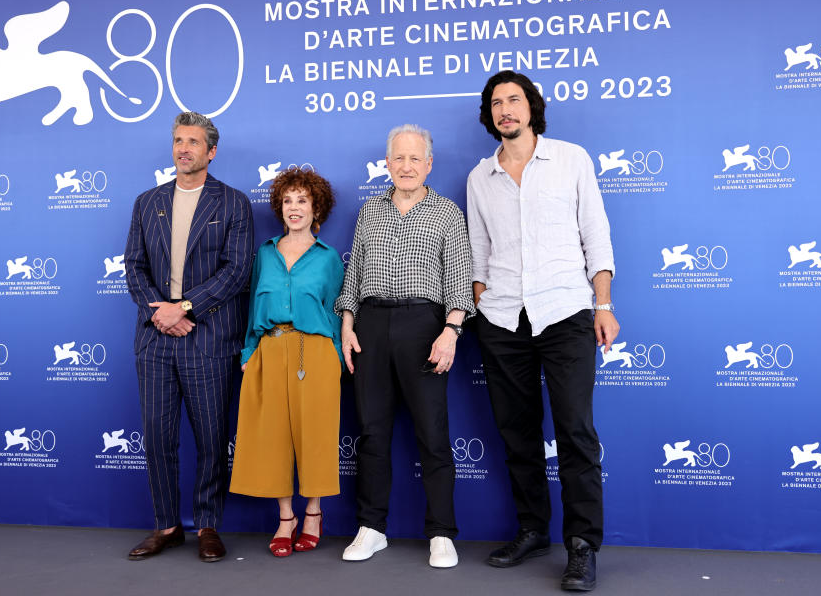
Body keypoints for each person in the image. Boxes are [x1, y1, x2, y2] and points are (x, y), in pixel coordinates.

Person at [466, 71, 619, 592]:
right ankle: (532, 528)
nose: (505, 109)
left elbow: (595, 234)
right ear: (489, 116)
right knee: (518, 434)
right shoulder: (478, 177)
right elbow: (479, 254)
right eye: (496, 103)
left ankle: (582, 546)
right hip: (504, 319)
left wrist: (603, 303)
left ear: (532, 106)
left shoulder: (571, 159)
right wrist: (485, 303)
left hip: (565, 312)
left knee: (575, 431)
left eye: (514, 100)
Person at [335, 124, 475, 569]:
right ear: (388, 163)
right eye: (399, 158)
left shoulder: (448, 213)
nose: (407, 166)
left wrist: (450, 331)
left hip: (425, 327)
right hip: (371, 325)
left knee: (432, 434)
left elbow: (459, 284)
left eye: (416, 158)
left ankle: (441, 533)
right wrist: (348, 325)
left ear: (429, 164)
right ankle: (372, 528)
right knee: (372, 433)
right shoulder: (369, 212)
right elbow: (353, 276)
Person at [124, 111, 253, 562]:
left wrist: (186, 307)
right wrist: (162, 313)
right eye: (179, 140)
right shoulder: (147, 202)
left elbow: (237, 271)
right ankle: (166, 525)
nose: (184, 148)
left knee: (211, 439)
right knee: (158, 437)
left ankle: (208, 525)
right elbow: (134, 268)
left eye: (193, 142)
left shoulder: (233, 203)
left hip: (208, 337)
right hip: (156, 338)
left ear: (211, 151)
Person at [230, 167, 344, 557]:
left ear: (317, 208)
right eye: (288, 201)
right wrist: (249, 353)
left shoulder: (329, 259)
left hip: (316, 352)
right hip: (269, 349)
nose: (294, 208)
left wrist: (336, 353)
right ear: (280, 207)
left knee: (315, 434)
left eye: (303, 201)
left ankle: (313, 513)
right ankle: (285, 518)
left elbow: (339, 309)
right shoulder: (264, 253)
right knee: (272, 436)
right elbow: (250, 309)